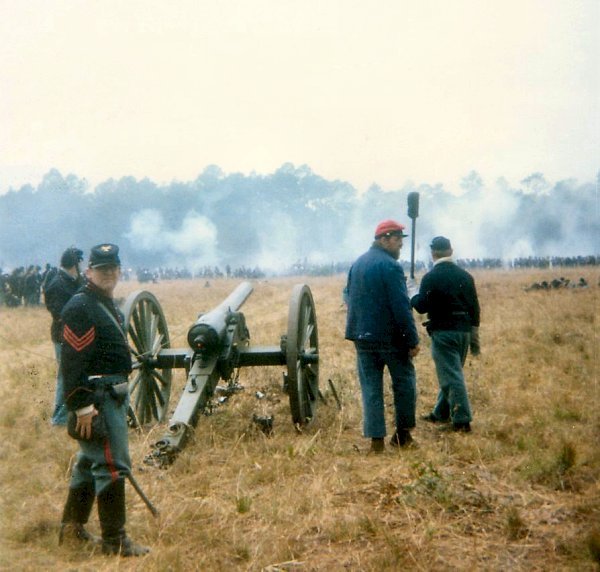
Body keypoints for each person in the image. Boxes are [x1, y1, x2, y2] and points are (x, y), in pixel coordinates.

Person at [58, 243, 149, 557]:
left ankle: (71, 529)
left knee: (88, 462)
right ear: (89, 271)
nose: (108, 274)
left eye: (113, 268)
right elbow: (72, 363)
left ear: (119, 270)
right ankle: (115, 540)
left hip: (111, 394)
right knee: (112, 464)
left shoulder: (103, 302)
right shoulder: (81, 307)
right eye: (102, 269)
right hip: (98, 397)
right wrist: (83, 407)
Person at [345, 219, 420, 453]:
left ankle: (376, 440)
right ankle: (403, 435)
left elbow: (348, 297)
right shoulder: (391, 267)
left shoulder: (357, 264)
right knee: (404, 383)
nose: (400, 245)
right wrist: (412, 339)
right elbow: (401, 306)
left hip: (362, 337)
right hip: (390, 339)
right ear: (383, 239)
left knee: (371, 388)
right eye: (397, 240)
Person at [410, 236, 480, 432]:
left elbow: (421, 307)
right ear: (450, 251)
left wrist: (412, 292)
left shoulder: (430, 277)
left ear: (433, 254)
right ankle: (441, 413)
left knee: (451, 376)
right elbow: (475, 308)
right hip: (464, 331)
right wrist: (474, 336)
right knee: (452, 371)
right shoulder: (465, 276)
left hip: (443, 332)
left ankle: (462, 420)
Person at [44, 247, 84, 425]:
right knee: (66, 376)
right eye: (79, 263)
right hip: (64, 336)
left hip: (76, 335)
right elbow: (59, 313)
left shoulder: (72, 280)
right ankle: (59, 419)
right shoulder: (57, 284)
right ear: (75, 264)